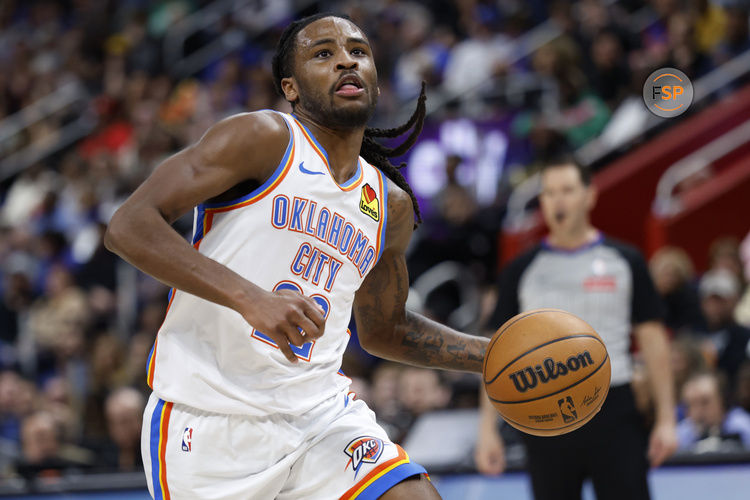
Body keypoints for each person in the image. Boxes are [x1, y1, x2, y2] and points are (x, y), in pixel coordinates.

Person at [104, 13, 487, 500]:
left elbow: (385, 330)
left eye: (358, 51)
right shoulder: (263, 139)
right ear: (291, 86)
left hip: (321, 415)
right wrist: (250, 298)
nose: (346, 60)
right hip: (209, 419)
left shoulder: (389, 205)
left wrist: (490, 356)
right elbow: (128, 225)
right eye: (323, 54)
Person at [475, 159, 678, 500]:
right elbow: (495, 354)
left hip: (614, 406)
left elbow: (654, 341)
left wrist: (667, 419)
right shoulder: (520, 270)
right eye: (549, 193)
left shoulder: (625, 260)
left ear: (590, 196)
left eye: (567, 190)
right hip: (543, 410)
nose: (558, 201)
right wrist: (486, 431)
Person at [677, 370, 750, 451]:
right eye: (689, 405)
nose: (698, 411)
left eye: (705, 402)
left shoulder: (742, 426)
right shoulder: (683, 433)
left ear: (722, 401)